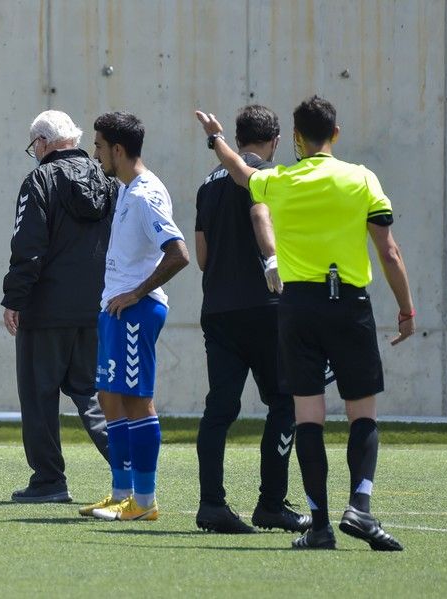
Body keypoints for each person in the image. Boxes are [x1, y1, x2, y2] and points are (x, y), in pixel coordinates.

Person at [196, 95, 414, 550]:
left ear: (294, 137)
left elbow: (242, 173)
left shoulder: (280, 180)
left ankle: (319, 525)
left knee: (306, 416)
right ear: (335, 133)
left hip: (295, 307)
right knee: (362, 412)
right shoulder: (362, 178)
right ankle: (360, 505)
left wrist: (216, 139)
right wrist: (406, 308)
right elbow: (389, 252)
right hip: (349, 304)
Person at [193, 105, 311, 534]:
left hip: (219, 312)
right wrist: (272, 261)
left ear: (238, 136)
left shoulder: (207, 185)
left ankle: (211, 505)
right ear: (276, 140)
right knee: (284, 403)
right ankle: (271, 505)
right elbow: (261, 215)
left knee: (219, 409)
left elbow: (202, 258)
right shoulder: (271, 179)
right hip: (266, 309)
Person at [80, 112, 190, 521]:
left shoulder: (145, 195)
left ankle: (144, 502)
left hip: (136, 310)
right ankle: (121, 493)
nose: (95, 154)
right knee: (109, 397)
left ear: (118, 150)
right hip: (114, 307)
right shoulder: (125, 188)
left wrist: (135, 293)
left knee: (137, 401)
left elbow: (178, 253)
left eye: (98, 146)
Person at [1, 110, 114, 503]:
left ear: (44, 144)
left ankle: (50, 481)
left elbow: (28, 246)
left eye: (34, 145)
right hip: (96, 308)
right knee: (91, 393)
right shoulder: (107, 181)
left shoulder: (40, 180)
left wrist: (15, 298)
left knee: (39, 395)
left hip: (46, 309)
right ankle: (130, 469)